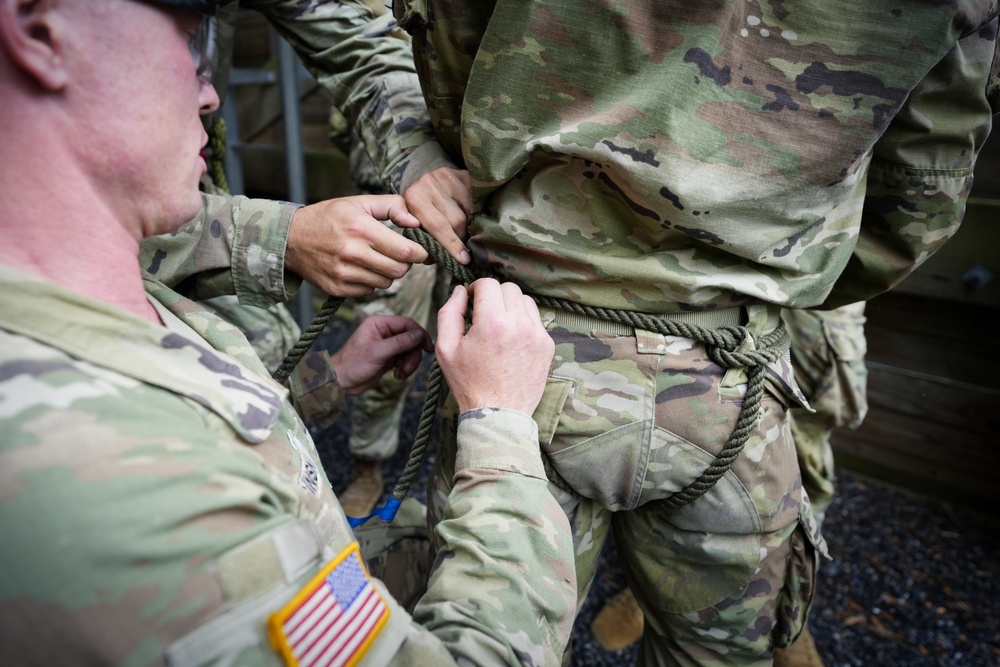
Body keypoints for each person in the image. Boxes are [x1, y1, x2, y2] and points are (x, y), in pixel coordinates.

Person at [390, 2, 1000, 665]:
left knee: (495, 626)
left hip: (527, 345)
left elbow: (453, 83)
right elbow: (919, 202)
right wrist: (764, 281)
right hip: (731, 370)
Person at [0, 2, 577, 665]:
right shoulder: (136, 495)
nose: (211, 92)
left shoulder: (80, 296)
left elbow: (189, 416)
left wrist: (322, 382)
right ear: (41, 25)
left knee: (417, 536)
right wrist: (499, 423)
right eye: (188, 37)